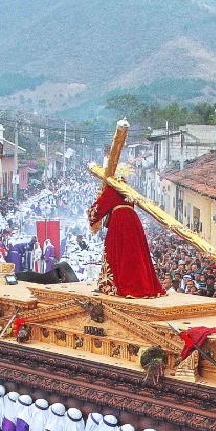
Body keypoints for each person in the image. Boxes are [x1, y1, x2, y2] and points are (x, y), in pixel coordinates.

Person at [87, 121, 166, 299]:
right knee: (135, 254)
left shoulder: (113, 189)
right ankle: (143, 286)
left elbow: (97, 209)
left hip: (120, 222)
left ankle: (123, 286)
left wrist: (93, 212)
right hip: (133, 222)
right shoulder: (127, 189)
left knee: (118, 253)